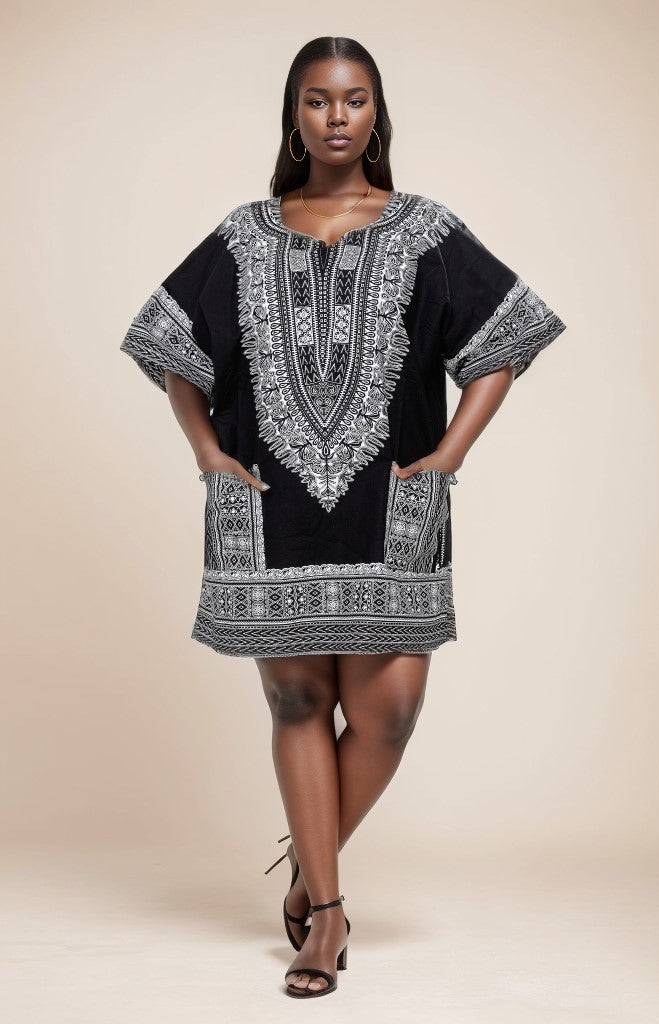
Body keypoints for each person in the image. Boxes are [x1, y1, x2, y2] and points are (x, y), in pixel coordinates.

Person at [119, 36, 567, 998]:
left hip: (391, 505)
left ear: (376, 114)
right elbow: (168, 342)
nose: (336, 117)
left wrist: (451, 454)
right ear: (294, 114)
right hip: (268, 508)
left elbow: (506, 340)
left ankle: (302, 870)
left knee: (387, 714)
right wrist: (206, 451)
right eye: (318, 100)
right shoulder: (245, 234)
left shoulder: (424, 229)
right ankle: (324, 916)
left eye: (355, 99)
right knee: (297, 703)